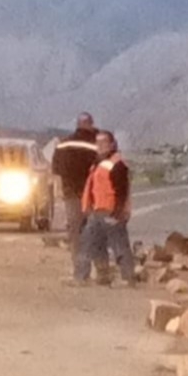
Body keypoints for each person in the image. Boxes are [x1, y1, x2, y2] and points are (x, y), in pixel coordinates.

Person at [73, 131, 135, 287]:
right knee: (91, 245)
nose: (99, 146)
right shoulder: (98, 164)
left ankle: (127, 279)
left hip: (111, 212)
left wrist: (118, 212)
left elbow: (122, 191)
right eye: (97, 142)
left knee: (119, 246)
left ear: (112, 144)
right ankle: (90, 277)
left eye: (104, 142)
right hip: (97, 212)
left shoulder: (117, 164)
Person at [52, 113, 100, 265]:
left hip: (71, 193)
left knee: (75, 230)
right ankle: (100, 269)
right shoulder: (100, 145)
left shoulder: (63, 144)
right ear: (91, 124)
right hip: (93, 194)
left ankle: (79, 267)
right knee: (95, 230)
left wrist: (62, 187)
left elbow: (56, 169)